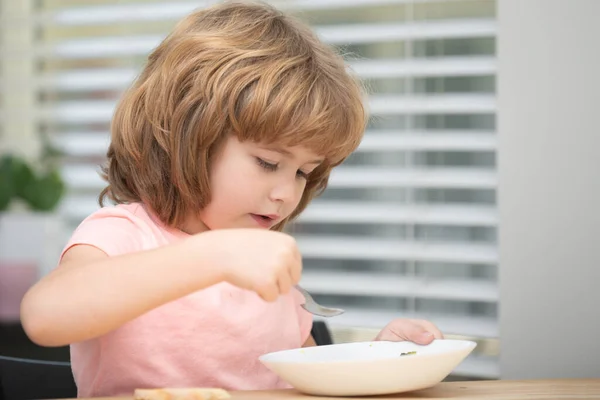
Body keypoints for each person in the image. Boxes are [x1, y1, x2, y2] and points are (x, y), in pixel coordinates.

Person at [20, 1, 443, 397]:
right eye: (266, 162)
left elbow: (309, 379)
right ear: (186, 135)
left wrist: (381, 359)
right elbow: (45, 317)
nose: (286, 193)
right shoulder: (123, 236)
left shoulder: (264, 270)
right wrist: (212, 257)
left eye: (302, 172)